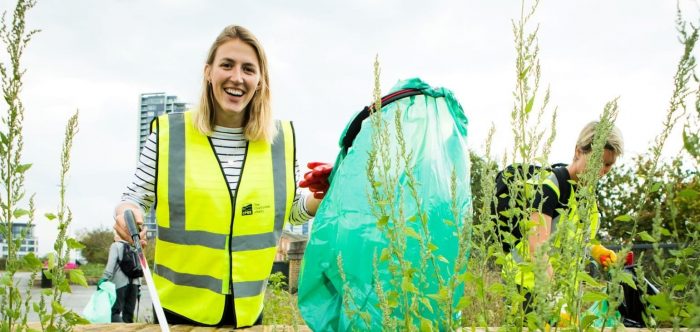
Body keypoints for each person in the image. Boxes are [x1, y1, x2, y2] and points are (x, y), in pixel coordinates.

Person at [112, 25, 325, 327]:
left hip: (248, 314)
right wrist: (127, 213)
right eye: (227, 65)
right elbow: (132, 199)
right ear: (209, 72)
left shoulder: (280, 142)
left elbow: (290, 209)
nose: (237, 77)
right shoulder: (170, 135)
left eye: (248, 69)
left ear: (260, 80)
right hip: (178, 314)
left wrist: (320, 197)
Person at [504, 121, 624, 312]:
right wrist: (555, 301)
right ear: (578, 152)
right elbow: (537, 248)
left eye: (608, 164)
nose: (601, 171)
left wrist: (597, 250)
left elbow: (576, 238)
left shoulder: (587, 194)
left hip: (565, 291)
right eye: (596, 162)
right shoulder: (550, 187)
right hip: (527, 290)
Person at [99, 234, 140, 323]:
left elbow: (110, 266)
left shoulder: (115, 246)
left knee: (114, 312)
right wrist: (139, 286)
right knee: (129, 315)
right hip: (135, 285)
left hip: (120, 284)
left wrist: (103, 280)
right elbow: (139, 266)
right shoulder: (135, 246)